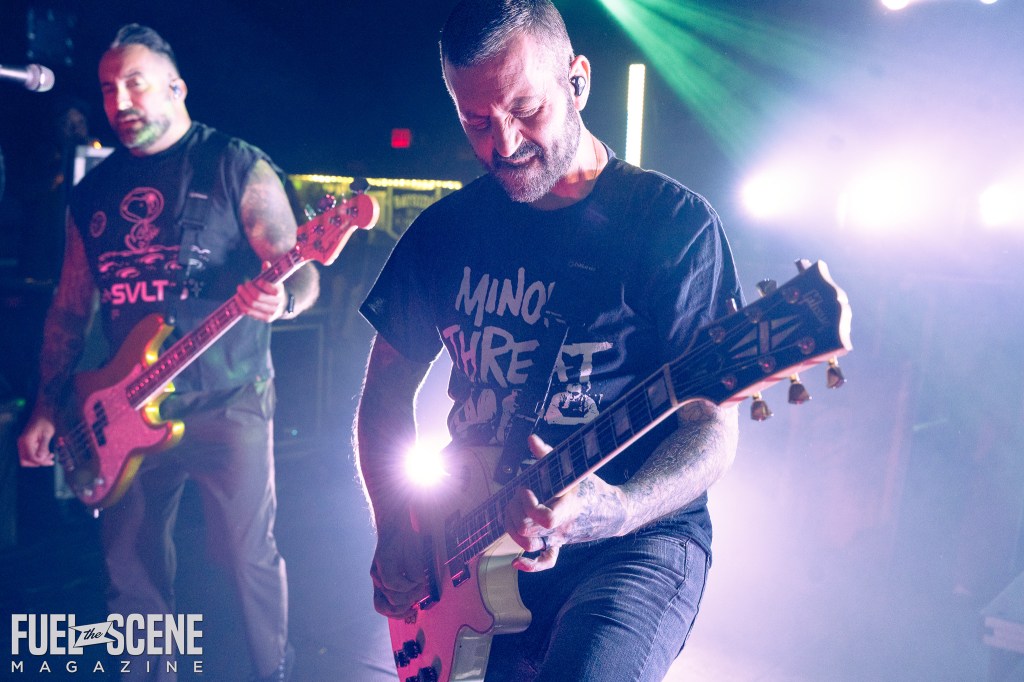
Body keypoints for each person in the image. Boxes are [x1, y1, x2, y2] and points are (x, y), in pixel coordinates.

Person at [355, 1, 742, 680]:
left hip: (632, 544)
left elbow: (713, 425)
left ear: (577, 81)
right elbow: (385, 388)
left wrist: (617, 509)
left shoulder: (671, 227)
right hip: (468, 541)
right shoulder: (446, 232)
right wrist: (393, 526)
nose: (502, 144)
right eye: (477, 121)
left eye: (525, 109)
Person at [17, 23, 318, 681]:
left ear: (176, 88)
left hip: (228, 399)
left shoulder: (235, 164)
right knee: (130, 569)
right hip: (122, 409)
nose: (119, 100)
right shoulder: (92, 194)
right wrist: (46, 403)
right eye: (107, 88)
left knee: (244, 556)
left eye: (134, 82)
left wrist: (284, 298)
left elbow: (298, 266)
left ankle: (270, 672)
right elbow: (71, 308)